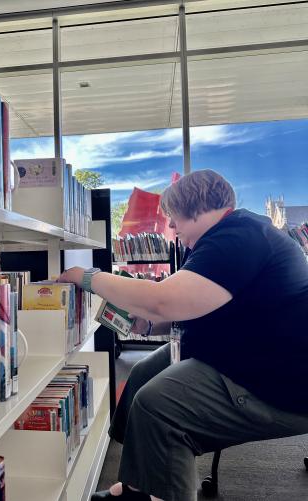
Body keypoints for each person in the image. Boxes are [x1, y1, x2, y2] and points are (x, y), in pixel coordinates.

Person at [58, 169, 308, 501]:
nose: (172, 227)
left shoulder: (239, 237)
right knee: (143, 375)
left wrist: (88, 277)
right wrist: (149, 325)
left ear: (194, 206)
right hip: (246, 355)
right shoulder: (224, 238)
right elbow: (201, 307)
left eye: (174, 217)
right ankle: (138, 487)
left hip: (277, 382)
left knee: (157, 406)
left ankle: (157, 488)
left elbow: (163, 301)